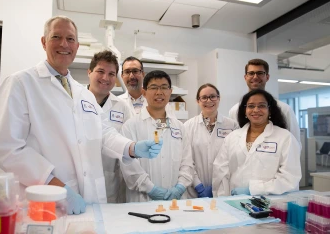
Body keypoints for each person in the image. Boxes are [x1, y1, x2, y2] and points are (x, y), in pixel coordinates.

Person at [0, 16, 163, 215]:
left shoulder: (83, 94)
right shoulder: (21, 84)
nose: (64, 44)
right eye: (56, 37)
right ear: (44, 42)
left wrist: (131, 147)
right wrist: (56, 186)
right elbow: (5, 147)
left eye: (70, 39)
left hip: (88, 201)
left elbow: (103, 133)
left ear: (77, 46)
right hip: (45, 200)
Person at [120, 70, 194, 202]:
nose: (159, 92)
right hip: (143, 200)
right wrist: (150, 189)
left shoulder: (179, 127)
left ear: (170, 92)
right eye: (154, 87)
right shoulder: (130, 126)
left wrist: (180, 187)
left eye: (164, 87)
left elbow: (187, 163)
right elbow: (128, 165)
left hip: (176, 200)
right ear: (144, 93)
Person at [212, 89, 301, 196]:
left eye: (262, 106)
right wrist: (223, 198)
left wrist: (254, 190)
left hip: (269, 203)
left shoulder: (285, 138)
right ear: (245, 110)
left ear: (270, 110)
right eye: (251, 106)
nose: (256, 110)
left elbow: (289, 178)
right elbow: (221, 171)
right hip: (234, 200)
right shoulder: (232, 137)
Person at [87, 50, 133, 203]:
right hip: (81, 182)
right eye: (100, 71)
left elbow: (127, 145)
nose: (105, 78)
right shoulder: (74, 101)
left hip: (110, 185)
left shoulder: (122, 107)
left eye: (111, 74)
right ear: (89, 72)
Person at [184, 84, 238, 198]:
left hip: (223, 188)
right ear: (198, 101)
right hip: (194, 190)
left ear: (219, 98)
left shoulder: (232, 125)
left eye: (213, 96)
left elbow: (234, 158)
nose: (209, 100)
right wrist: (197, 185)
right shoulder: (188, 126)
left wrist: (218, 185)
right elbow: (186, 159)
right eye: (204, 97)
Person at [228, 59, 300, 143]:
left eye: (260, 73)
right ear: (245, 77)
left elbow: (295, 142)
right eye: (251, 73)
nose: (255, 77)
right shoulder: (234, 110)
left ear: (267, 77)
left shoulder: (284, 109)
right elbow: (232, 141)